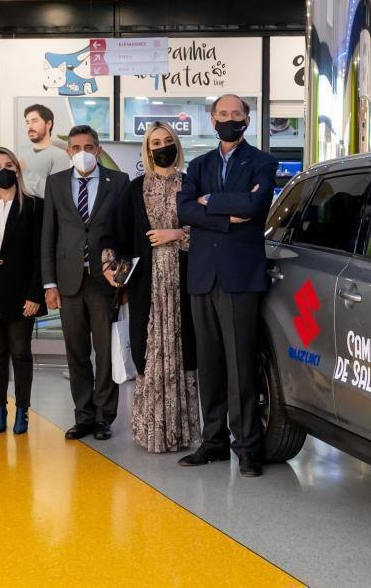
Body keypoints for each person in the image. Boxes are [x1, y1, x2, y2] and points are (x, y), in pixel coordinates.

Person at [176, 94, 277, 477]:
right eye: (223, 113)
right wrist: (226, 214)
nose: (229, 119)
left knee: (240, 366)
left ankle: (247, 448)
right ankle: (214, 442)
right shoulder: (199, 165)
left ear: (247, 120)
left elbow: (255, 207)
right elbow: (184, 209)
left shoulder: (262, 162)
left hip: (240, 277)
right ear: (212, 118)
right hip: (203, 276)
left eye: (236, 114)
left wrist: (210, 201)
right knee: (210, 366)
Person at [102, 122, 199, 453]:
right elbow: (114, 232)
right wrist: (109, 265)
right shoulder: (134, 190)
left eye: (167, 141)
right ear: (147, 149)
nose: (162, 147)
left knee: (185, 349)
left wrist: (178, 234)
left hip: (186, 281)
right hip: (147, 285)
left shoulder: (191, 185)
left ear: (176, 144)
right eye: (155, 143)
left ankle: (184, 431)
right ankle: (151, 432)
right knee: (149, 350)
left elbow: (208, 229)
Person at [42, 125, 129, 441]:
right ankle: (83, 416)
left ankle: (105, 417)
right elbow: (48, 235)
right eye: (76, 147)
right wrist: (49, 284)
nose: (82, 153)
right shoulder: (55, 183)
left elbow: (125, 232)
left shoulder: (118, 182)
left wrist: (123, 280)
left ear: (98, 149)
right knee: (76, 353)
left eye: (88, 147)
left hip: (105, 283)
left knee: (105, 353)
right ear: (68, 152)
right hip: (69, 282)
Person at [0, 147, 45, 435]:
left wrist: (35, 294)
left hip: (23, 294)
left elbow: (40, 254)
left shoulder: (34, 205)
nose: (4, 170)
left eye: (9, 165)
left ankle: (22, 410)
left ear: (17, 169)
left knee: (21, 353)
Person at [20, 104, 71, 198]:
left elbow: (56, 192)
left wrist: (27, 171)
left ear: (48, 124)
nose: (30, 127)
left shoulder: (59, 155)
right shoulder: (21, 154)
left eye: (34, 121)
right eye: (27, 122)